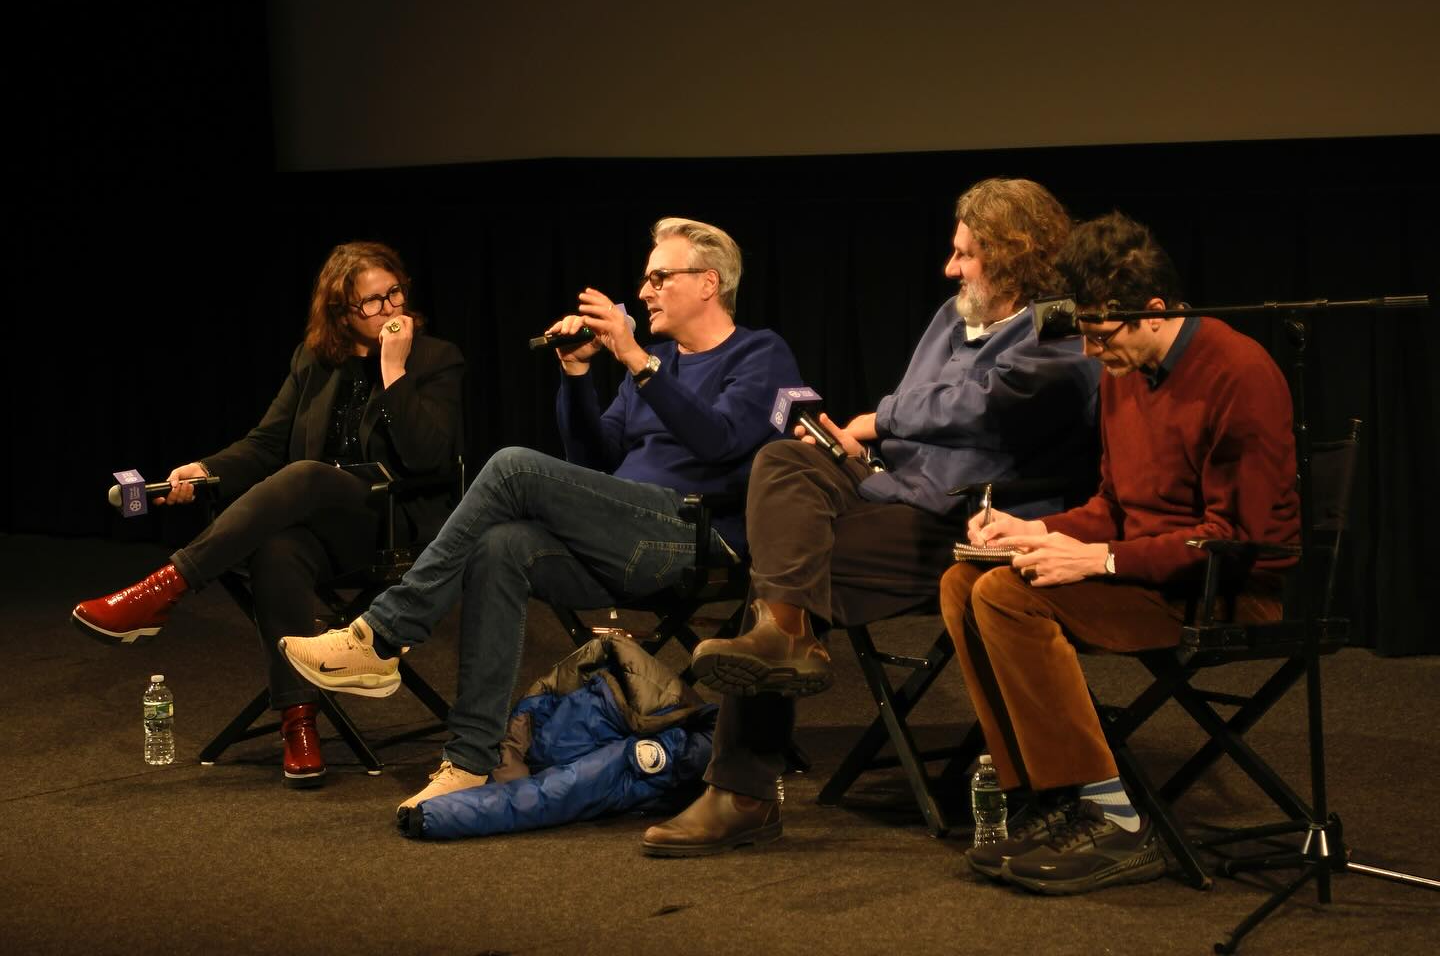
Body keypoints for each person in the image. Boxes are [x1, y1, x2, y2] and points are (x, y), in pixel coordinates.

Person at [278, 217, 802, 824]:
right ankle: (470, 757)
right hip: (621, 535)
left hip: (691, 537)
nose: (646, 290)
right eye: (646, 276)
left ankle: (380, 636)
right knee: (500, 545)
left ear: (709, 282)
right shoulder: (655, 363)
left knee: (512, 467)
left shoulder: (760, 353)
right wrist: (578, 374)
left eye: (660, 276)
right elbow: (593, 462)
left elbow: (719, 441)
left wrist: (633, 358)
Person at [642, 177, 1100, 857]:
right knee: (784, 460)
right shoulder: (954, 315)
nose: (951, 268)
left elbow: (992, 400)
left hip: (969, 517)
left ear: (1011, 253)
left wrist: (880, 420)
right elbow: (931, 399)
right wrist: (870, 435)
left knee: (783, 570)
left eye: (965, 254)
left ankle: (742, 791)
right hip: (896, 484)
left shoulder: (1058, 324)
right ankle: (784, 632)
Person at [940, 212, 1299, 895]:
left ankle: (1114, 818)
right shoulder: (1124, 367)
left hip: (1225, 589)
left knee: (1009, 597)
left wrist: (1100, 560)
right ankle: (1047, 798)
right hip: (1147, 571)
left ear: (1153, 311)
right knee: (965, 581)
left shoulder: (1238, 373)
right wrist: (1040, 532)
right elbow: (1116, 502)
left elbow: (1235, 542)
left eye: (1098, 331)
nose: (1086, 350)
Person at [71, 240, 465, 785]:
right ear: (341, 314)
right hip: (319, 524)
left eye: (394, 293)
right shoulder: (313, 361)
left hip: (390, 519)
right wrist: (202, 469)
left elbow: (429, 456)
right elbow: (265, 444)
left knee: (304, 477)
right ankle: (298, 720)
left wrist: (394, 372)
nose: (390, 310)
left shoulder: (435, 359)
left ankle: (165, 588)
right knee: (278, 548)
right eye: (371, 303)